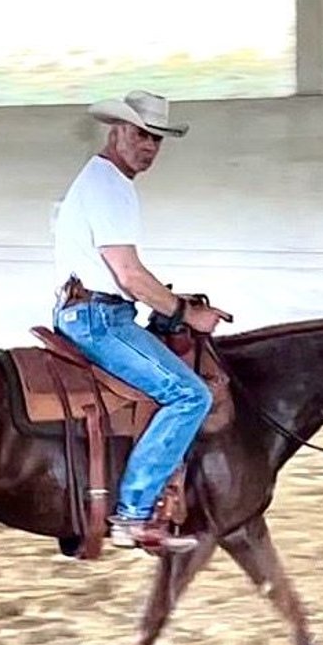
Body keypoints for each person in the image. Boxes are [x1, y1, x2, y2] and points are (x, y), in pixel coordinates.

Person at [51, 90, 229, 554]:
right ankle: (132, 513)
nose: (148, 147)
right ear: (117, 131)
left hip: (94, 309)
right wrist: (185, 312)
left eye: (156, 140)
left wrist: (170, 303)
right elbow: (128, 275)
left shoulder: (102, 180)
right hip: (98, 318)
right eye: (140, 135)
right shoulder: (109, 184)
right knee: (190, 395)